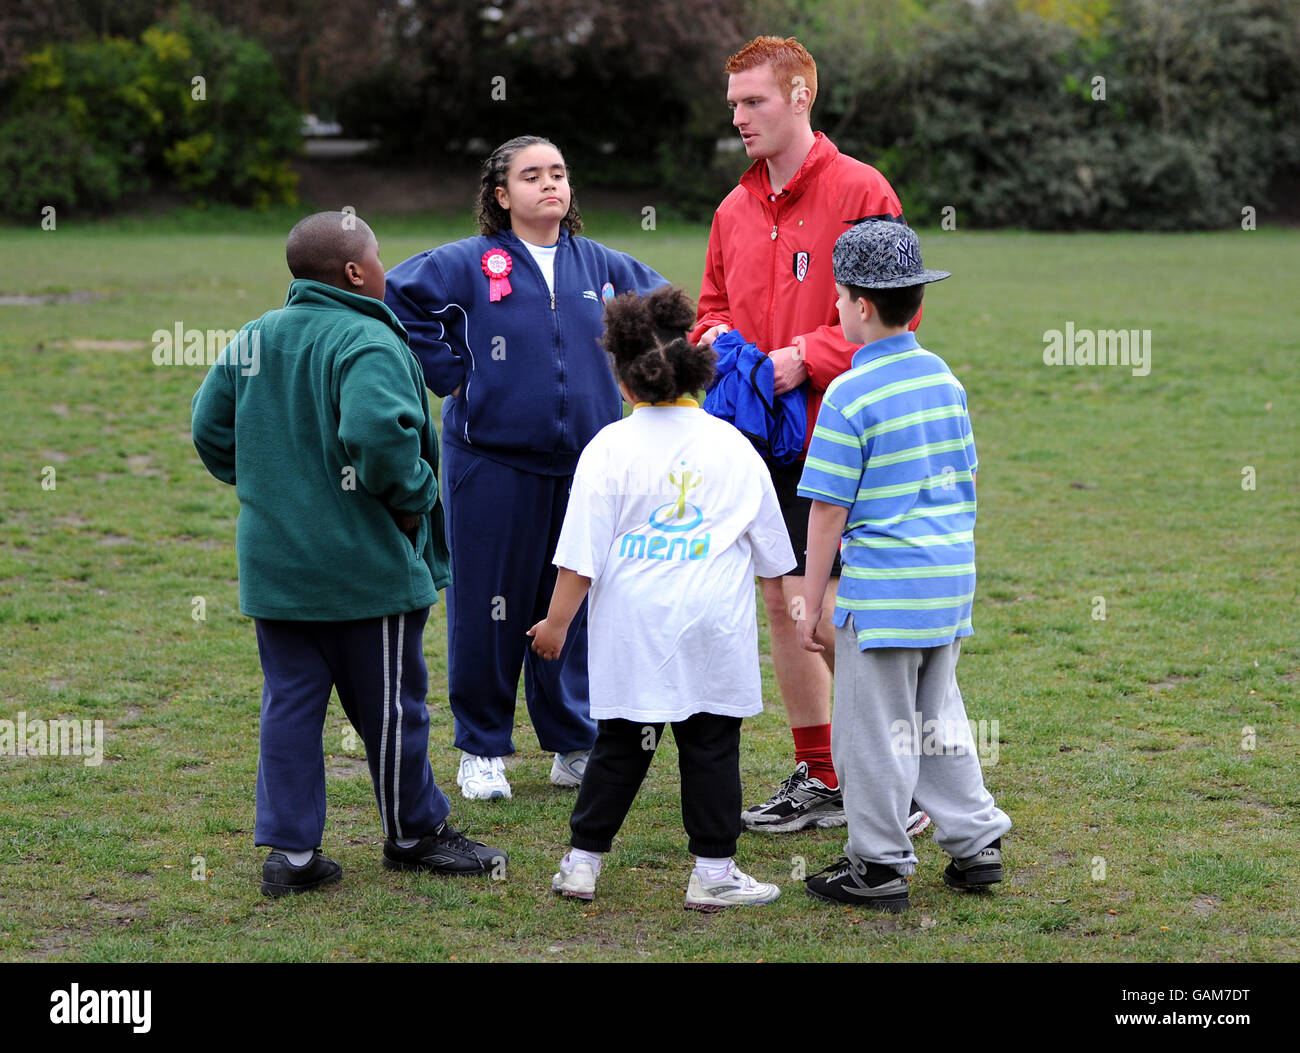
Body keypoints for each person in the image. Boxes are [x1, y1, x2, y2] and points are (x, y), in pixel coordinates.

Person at [191, 212, 507, 895]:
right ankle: (413, 832)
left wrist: (274, 486)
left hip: (277, 571)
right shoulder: (368, 338)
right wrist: (415, 496)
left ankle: (294, 855)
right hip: (366, 570)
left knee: (290, 705)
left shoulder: (255, 335)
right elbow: (377, 435)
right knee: (392, 706)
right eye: (380, 258)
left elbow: (208, 429)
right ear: (358, 273)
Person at [691, 35, 930, 836]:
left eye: (753, 101)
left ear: (800, 97)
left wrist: (807, 357)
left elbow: (900, 309)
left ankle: (912, 776)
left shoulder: (861, 189)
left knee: (846, 612)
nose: (739, 119)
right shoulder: (733, 207)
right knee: (786, 601)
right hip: (761, 444)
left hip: (854, 436)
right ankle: (824, 772)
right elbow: (711, 307)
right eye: (733, 105)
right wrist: (723, 349)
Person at [385, 136, 670, 801]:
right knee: (490, 604)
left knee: (572, 601)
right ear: (501, 194)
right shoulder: (469, 262)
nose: (550, 184)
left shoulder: (601, 265)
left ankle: (574, 740)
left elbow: (670, 314)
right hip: (490, 462)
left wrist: (637, 377)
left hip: (588, 468)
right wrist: (453, 373)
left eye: (559, 174)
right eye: (532, 175)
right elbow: (398, 297)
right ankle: (482, 747)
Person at [528, 287, 796, 910]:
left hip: (633, 635)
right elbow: (775, 560)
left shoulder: (608, 449)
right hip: (713, 632)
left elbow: (579, 560)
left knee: (621, 745)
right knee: (710, 746)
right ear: (699, 371)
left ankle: (581, 864)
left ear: (622, 379)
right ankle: (713, 872)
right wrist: (794, 614)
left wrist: (555, 625)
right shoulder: (734, 446)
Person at [796, 220, 1011, 910]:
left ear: (861, 305)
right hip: (946, 587)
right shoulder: (944, 379)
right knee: (936, 718)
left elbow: (827, 509)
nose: (834, 308)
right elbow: (968, 480)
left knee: (871, 732)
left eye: (838, 297)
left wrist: (810, 595)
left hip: (883, 595)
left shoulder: (848, 396)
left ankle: (878, 866)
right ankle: (977, 845)